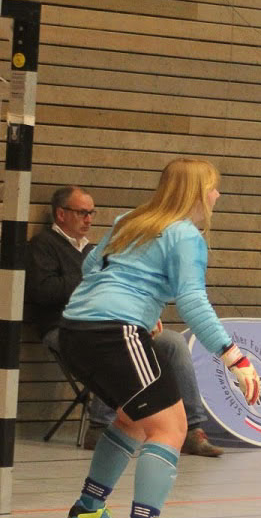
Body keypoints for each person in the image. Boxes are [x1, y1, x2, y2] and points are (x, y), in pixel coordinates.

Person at [56, 158, 261, 518]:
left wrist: (140, 308)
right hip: (114, 333)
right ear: (197, 193)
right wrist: (235, 357)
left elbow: (90, 266)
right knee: (171, 427)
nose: (217, 195)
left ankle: (90, 507)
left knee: (133, 419)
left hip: (74, 331)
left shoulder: (130, 220)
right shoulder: (185, 235)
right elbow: (192, 301)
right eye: (213, 187)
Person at [25, 185, 223, 456]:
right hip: (63, 326)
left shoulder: (92, 249)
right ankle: (100, 424)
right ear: (61, 214)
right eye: (82, 213)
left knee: (174, 343)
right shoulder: (43, 245)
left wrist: (134, 305)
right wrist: (100, 282)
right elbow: (42, 290)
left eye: (92, 213)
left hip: (118, 323)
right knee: (113, 349)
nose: (89, 219)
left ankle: (192, 427)